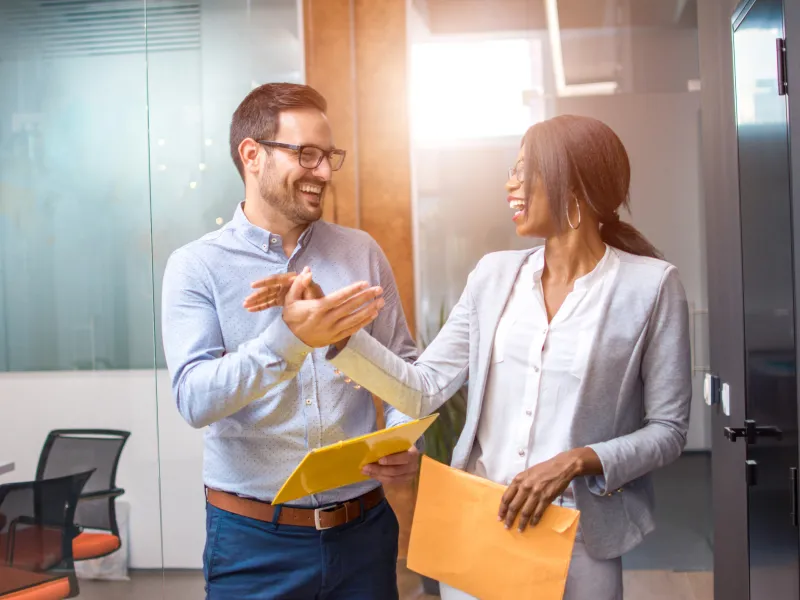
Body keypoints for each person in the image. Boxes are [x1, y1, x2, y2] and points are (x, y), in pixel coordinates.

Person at [267, 114, 691, 600]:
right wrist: (334, 333)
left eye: (525, 170)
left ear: (574, 181)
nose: (510, 184)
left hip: (578, 537)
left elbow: (668, 430)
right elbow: (423, 387)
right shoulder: (493, 276)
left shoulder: (652, 287)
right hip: (480, 526)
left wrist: (578, 460)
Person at [161, 82, 421, 600]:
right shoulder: (196, 267)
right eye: (306, 154)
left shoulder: (360, 252)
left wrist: (402, 432)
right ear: (252, 155)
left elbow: (405, 370)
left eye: (328, 156)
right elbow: (194, 399)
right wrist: (291, 338)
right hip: (254, 542)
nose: (323, 172)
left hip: (364, 533)